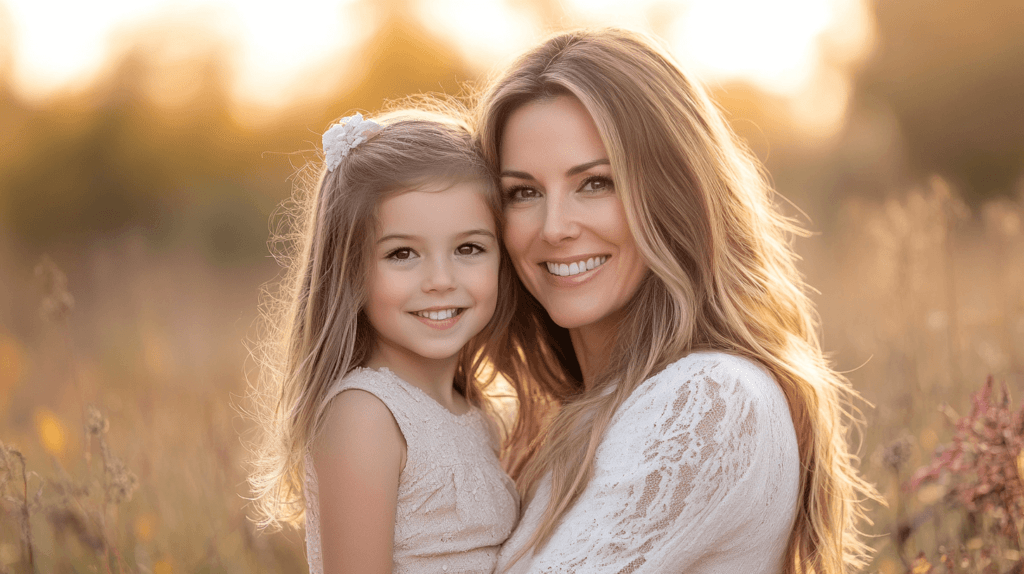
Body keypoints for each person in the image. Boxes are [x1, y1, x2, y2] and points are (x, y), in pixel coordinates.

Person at [477, 28, 877, 573]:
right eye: (523, 192)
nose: (554, 228)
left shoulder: (710, 399)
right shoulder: (561, 417)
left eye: (595, 183)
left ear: (673, 191)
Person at [247, 107, 520, 573]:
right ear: (350, 269)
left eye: (468, 248)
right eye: (402, 253)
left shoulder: (479, 412)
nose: (440, 279)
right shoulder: (365, 414)